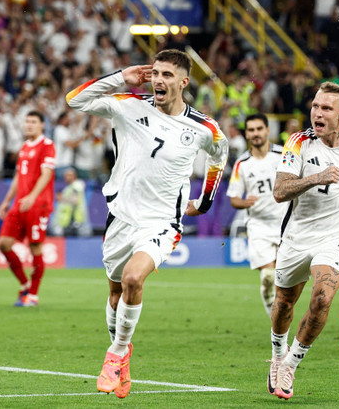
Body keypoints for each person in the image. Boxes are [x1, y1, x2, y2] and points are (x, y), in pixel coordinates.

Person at [66, 49, 228, 399]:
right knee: (114, 293)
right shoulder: (127, 104)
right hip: (121, 216)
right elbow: (75, 100)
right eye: (155, 73)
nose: (158, 80)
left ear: (184, 82)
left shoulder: (203, 128)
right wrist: (121, 77)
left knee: (133, 279)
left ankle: (115, 355)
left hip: (161, 222)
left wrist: (205, 202)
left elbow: (220, 156)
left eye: (167, 75)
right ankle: (123, 353)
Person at [268, 82, 339, 400]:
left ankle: (290, 365)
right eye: (315, 106)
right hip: (296, 235)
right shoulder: (298, 143)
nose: (317, 112)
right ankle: (277, 353)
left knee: (321, 300)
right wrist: (316, 177)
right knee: (284, 303)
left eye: (326, 108)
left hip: (335, 238)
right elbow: (280, 192)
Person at [226, 113, 287, 317]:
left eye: (259, 129)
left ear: (267, 130)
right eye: (251, 130)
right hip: (259, 225)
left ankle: (282, 320)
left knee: (284, 279)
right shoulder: (242, 164)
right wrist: (245, 202)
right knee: (268, 277)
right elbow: (234, 198)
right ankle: (276, 323)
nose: (255, 134)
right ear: (246, 134)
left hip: (286, 224)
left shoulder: (283, 155)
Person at [0, 111, 56, 307]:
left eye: (33, 122)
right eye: (27, 122)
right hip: (19, 204)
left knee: (35, 247)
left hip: (38, 205)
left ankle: (33, 295)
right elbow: (17, 177)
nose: (29, 125)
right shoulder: (24, 147)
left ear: (42, 125)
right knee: (4, 244)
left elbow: (46, 174)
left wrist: (32, 196)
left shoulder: (47, 145)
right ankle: (25, 284)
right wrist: (6, 201)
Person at [50, 167, 90, 237]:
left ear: (74, 176)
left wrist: (62, 198)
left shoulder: (76, 186)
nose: (66, 177)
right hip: (66, 221)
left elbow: (75, 200)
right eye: (65, 176)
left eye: (68, 175)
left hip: (75, 220)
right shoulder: (69, 187)